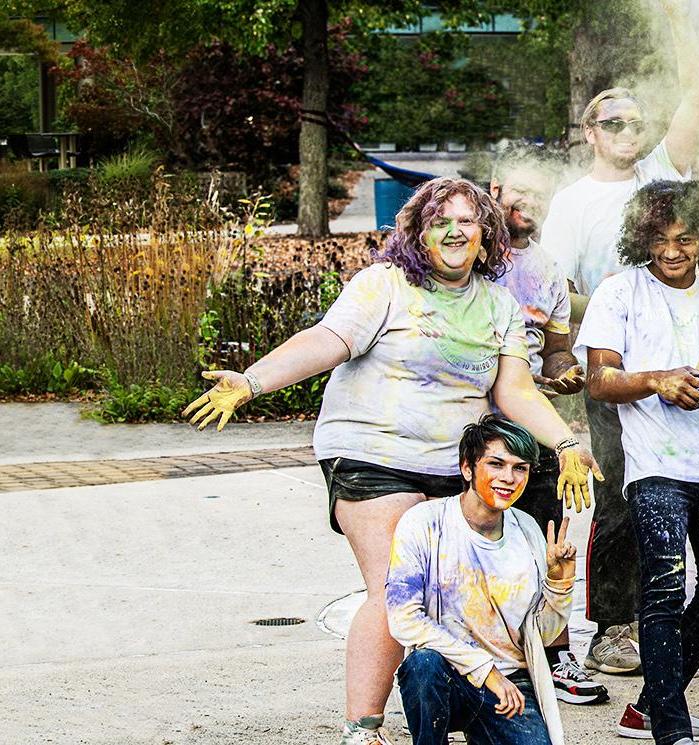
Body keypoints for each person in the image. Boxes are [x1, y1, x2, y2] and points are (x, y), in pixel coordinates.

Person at [182, 177, 599, 745]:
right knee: (396, 587)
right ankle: (363, 728)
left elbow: (516, 392)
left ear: (486, 233)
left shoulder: (498, 304)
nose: (454, 231)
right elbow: (327, 339)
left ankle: (456, 704)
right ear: (419, 232)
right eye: (439, 220)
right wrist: (252, 382)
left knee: (449, 589)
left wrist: (567, 444)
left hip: (451, 464)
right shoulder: (385, 285)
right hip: (371, 454)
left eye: (467, 220)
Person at [536, 0, 699, 678]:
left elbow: (696, 94)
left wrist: (674, 17)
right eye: (612, 121)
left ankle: (674, 612)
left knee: (685, 486)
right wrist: (612, 299)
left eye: (635, 121)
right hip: (611, 368)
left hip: (678, 361)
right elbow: (554, 293)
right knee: (617, 499)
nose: (625, 130)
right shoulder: (575, 202)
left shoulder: (663, 174)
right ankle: (613, 625)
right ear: (590, 130)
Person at [578, 180, 699, 744]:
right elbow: (598, 379)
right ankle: (672, 730)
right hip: (657, 467)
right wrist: (657, 380)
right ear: (643, 239)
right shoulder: (619, 294)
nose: (673, 250)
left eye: (685, 238)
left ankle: (649, 704)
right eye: (660, 238)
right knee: (662, 590)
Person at [490, 156, 608, 707]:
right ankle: (488, 661)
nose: (528, 203)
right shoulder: (472, 256)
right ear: (496, 191)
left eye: (539, 195)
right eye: (519, 191)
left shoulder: (547, 269)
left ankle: (556, 654)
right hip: (470, 420)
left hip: (532, 419)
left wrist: (565, 375)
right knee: (483, 541)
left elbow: (556, 349)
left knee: (549, 535)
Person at [386, 415, 578, 745]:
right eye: (496, 464)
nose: (509, 478)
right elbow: (404, 619)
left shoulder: (529, 530)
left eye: (520, 468)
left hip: (511, 683)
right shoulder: (424, 523)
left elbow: (539, 634)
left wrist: (559, 584)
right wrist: (484, 671)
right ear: (467, 468)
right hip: (449, 674)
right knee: (423, 666)